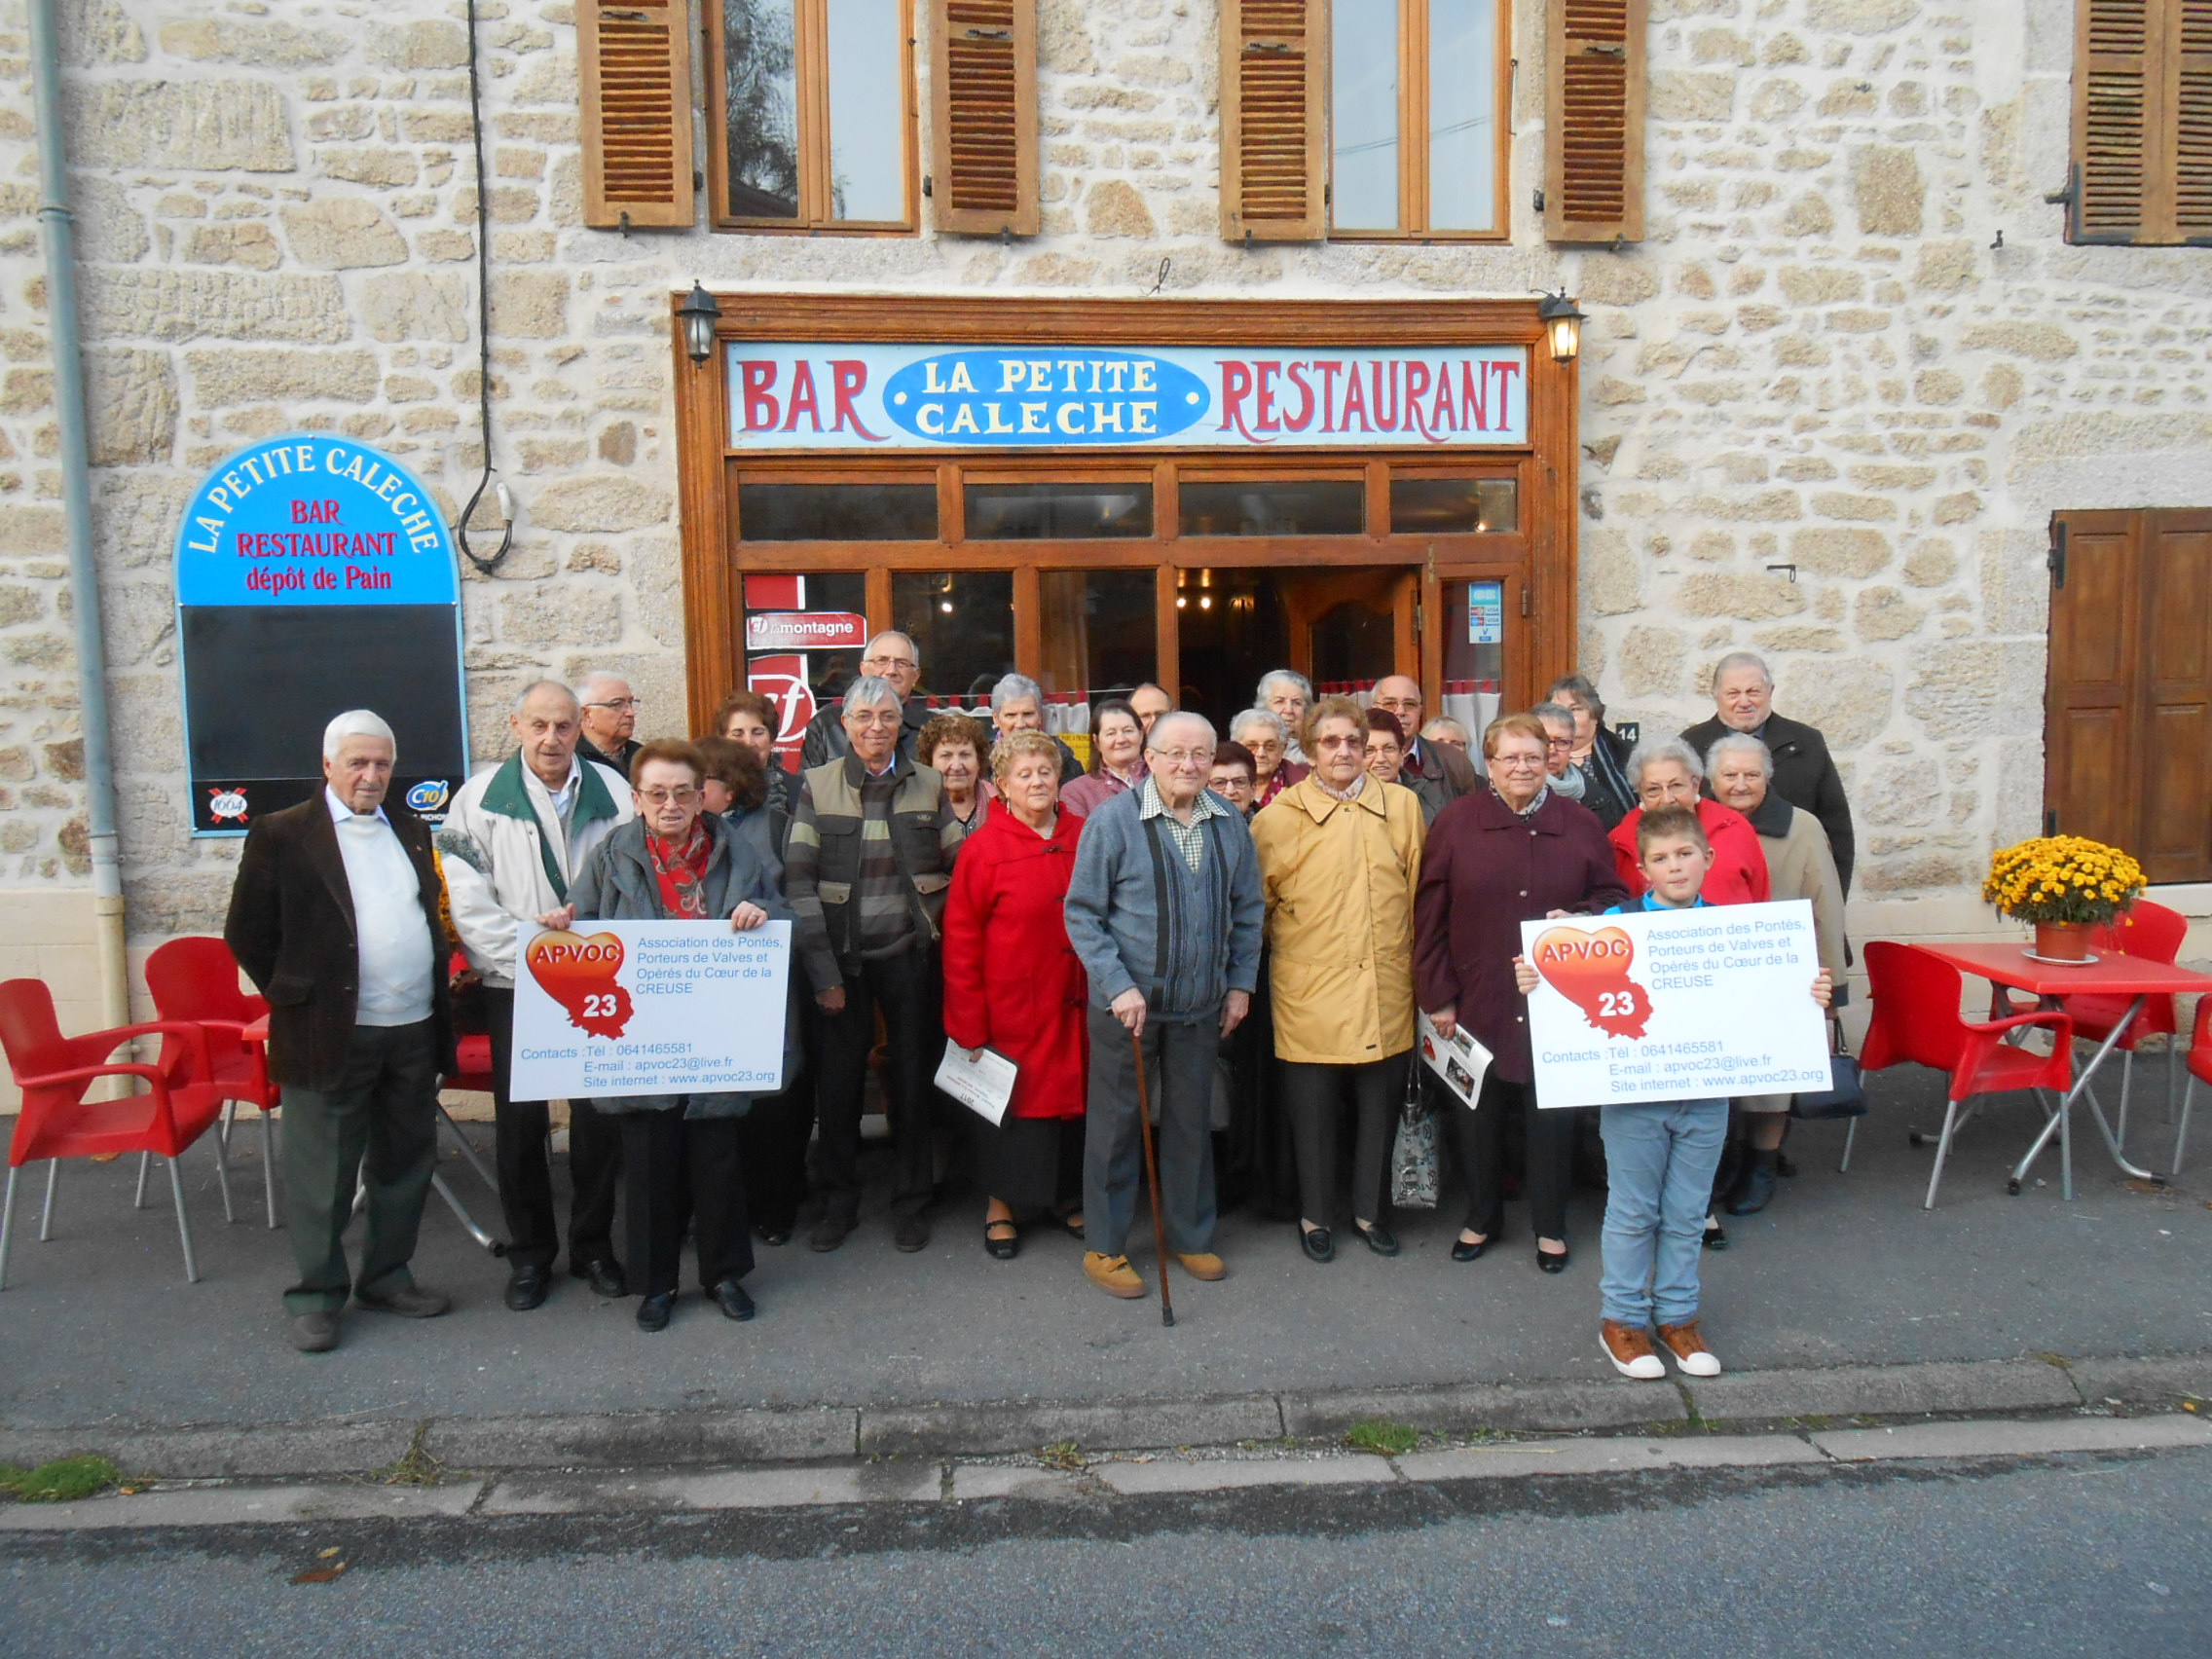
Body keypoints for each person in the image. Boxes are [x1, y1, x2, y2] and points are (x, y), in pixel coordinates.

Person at [1513, 803, 1832, 1380]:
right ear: (1643, 870)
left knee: (1687, 1212)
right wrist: (1534, 976)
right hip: (1635, 1099)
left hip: (1706, 1097)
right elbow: (1568, 985)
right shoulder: (1616, 923)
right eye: (1661, 858)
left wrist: (1803, 991)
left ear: (1707, 859)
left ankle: (1678, 1317)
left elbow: (1766, 1000)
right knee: (1634, 1212)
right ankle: (1623, 1321)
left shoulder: (1740, 933)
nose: (1675, 867)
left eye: (1686, 854)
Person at [224, 711, 458, 1354]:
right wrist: (299, 994)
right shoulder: (282, 833)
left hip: (411, 1026)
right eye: (357, 762)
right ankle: (316, 1296)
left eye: (382, 763)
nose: (371, 774)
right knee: (321, 1172)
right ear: (327, 764)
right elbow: (247, 930)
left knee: (406, 1162)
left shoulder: (410, 829)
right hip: (330, 1033)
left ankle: (387, 1277)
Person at [565, 740, 786, 1332]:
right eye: (657, 793)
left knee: (718, 1159)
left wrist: (761, 914)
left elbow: (778, 908)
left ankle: (724, 1274)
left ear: (701, 794)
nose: (670, 803)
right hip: (643, 1037)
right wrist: (562, 923)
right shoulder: (613, 855)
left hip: (715, 1034)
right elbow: (582, 921)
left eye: (682, 791)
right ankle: (655, 1283)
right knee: (649, 1161)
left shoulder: (735, 850)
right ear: (636, 799)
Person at [438, 681, 633, 1313]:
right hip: (514, 982)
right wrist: (529, 961)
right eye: (540, 725)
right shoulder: (477, 801)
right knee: (521, 1126)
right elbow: (469, 901)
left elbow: (633, 882)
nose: (552, 739)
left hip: (595, 979)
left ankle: (594, 1246)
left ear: (581, 728)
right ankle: (530, 1255)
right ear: (516, 724)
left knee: (599, 1117)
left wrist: (598, 952)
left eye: (565, 726)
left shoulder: (617, 793)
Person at [1414, 713, 1627, 1274]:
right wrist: (1437, 995)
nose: (1522, 767)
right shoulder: (1457, 824)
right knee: (1477, 1114)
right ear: (1490, 764)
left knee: (1550, 1115)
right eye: (1509, 757)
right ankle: (1482, 1217)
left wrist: (1578, 917)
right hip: (1477, 993)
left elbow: (1613, 900)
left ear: (1550, 760)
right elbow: (1429, 917)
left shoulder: (1580, 824)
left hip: (1560, 1003)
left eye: (1533, 756)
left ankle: (1551, 1225)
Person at [1064, 712, 1264, 1299]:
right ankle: (1106, 1245)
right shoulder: (1113, 822)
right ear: (1148, 758)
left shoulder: (1229, 822)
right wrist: (1117, 986)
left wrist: (1239, 985)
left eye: (1200, 754)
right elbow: (1082, 913)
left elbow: (1248, 912)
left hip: (1201, 1005)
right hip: (1129, 1007)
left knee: (1188, 1122)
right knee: (1118, 1125)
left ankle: (1189, 1233)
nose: (1189, 765)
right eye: (1175, 754)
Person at [784, 675, 962, 1253]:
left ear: (900, 720)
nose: (875, 727)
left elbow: (964, 863)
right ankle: (838, 1204)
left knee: (912, 1082)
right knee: (837, 1088)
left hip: (911, 956)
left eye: (886, 716)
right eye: (863, 718)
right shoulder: (816, 784)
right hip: (842, 961)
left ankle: (911, 1203)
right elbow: (799, 881)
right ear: (845, 724)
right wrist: (823, 973)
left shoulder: (928, 782)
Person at [1253, 697, 1425, 1262]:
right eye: (1330, 742)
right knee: (1315, 1114)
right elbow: (1258, 910)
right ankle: (1315, 1215)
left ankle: (1370, 1211)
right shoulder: (1276, 818)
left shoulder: (1401, 806)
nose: (1345, 752)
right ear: (1308, 751)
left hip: (1384, 985)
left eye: (1354, 741)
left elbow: (1418, 894)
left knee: (1379, 1110)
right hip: (1309, 991)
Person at [941, 730, 1090, 1260]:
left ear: (1059, 779)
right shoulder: (982, 849)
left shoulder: (1085, 834)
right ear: (1001, 785)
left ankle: (1064, 1196)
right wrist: (967, 1023)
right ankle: (1000, 1205)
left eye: (1045, 772)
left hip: (1076, 1002)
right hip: (1010, 1007)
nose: (1036, 782)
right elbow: (960, 941)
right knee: (1011, 1110)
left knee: (1073, 1107)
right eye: (1023, 774)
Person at [1708, 731, 1849, 1216]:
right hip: (1716, 974)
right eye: (1730, 775)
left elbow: (1826, 904)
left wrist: (1832, 987)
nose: (1740, 784)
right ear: (1711, 779)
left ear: (1767, 776)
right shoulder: (1694, 825)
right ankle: (1724, 1164)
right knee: (1720, 1077)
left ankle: (1761, 1165)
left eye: (1751, 774)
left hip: (1782, 972)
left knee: (1771, 1082)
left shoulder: (1802, 827)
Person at [711, 722, 811, 1248]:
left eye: (697, 783)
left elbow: (799, 902)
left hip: (765, 989)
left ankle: (777, 1205)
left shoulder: (773, 825)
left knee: (773, 1102)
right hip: (708, 996)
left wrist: (764, 912)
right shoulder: (685, 834)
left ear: (726, 786)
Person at [1682, 650, 1858, 893]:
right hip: (1715, 890)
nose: (1744, 702)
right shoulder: (1690, 747)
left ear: (1770, 692)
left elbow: (1837, 829)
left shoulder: (1806, 742)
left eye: (1753, 691)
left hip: (1791, 885)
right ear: (1716, 696)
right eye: (1733, 693)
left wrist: (1831, 900)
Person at [1608, 737, 1770, 906]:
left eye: (1676, 785)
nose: (1667, 799)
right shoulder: (1620, 842)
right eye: (1653, 789)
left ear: (1696, 784)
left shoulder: (1734, 827)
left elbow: (1761, 898)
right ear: (1639, 793)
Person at [798, 632, 932, 767]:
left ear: (915, 676)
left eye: (901, 663)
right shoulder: (826, 725)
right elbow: (809, 785)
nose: (891, 670)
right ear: (863, 670)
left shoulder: (931, 728)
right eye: (882, 661)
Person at [1372, 675, 1477, 809]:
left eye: (1409, 704)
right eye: (1390, 704)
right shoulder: (1356, 760)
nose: (1400, 711)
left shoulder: (1453, 760)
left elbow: (1471, 821)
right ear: (1373, 709)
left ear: (1420, 711)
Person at [1546, 675, 1637, 830]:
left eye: (1574, 709)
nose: (1565, 717)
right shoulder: (1535, 756)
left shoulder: (1624, 758)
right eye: (1557, 710)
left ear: (1594, 716)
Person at [987, 673, 1085, 785]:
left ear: (1040, 716)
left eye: (1028, 714)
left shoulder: (1064, 759)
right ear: (996, 718)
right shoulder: (982, 762)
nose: (1020, 724)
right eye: (1011, 715)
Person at [1060, 698, 1148, 818]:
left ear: (1141, 734)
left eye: (1128, 731)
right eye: (1111, 733)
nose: (1121, 739)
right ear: (1097, 741)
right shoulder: (1077, 792)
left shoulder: (1162, 777)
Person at [718, 687, 797, 818]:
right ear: (723, 740)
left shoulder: (797, 789)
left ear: (772, 739)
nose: (748, 742)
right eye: (738, 734)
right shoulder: (709, 790)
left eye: (758, 733)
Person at [918, 713, 995, 846]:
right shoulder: (917, 808)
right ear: (930, 761)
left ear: (979, 760)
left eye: (965, 755)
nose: (956, 766)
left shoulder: (1000, 804)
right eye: (946, 755)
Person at [1367, 707, 1446, 825]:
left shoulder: (1430, 797)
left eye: (1389, 748)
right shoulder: (1342, 802)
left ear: (1402, 754)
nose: (1380, 759)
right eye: (1369, 750)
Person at [1229, 708, 1309, 808]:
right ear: (1236, 746)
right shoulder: (1218, 786)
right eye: (1252, 746)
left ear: (1283, 749)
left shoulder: (1304, 786)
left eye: (1269, 746)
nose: (1261, 754)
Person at [574, 671, 643, 776]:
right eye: (617, 705)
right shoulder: (572, 761)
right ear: (586, 715)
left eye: (630, 703)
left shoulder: (643, 757)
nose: (630, 713)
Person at [1530, 702, 1589, 805]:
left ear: (1572, 747)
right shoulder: (1508, 796)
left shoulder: (1597, 800)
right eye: (1544, 740)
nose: (1552, 750)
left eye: (1562, 742)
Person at [1257, 669, 1313, 762]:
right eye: (1279, 701)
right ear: (1263, 707)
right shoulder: (1249, 750)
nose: (1289, 710)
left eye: (1297, 702)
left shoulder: (1314, 755)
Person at [1207, 741, 1258, 818]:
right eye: (1219, 783)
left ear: (1252, 790)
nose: (1230, 791)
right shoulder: (1191, 828)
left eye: (1239, 782)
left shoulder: (1269, 827)